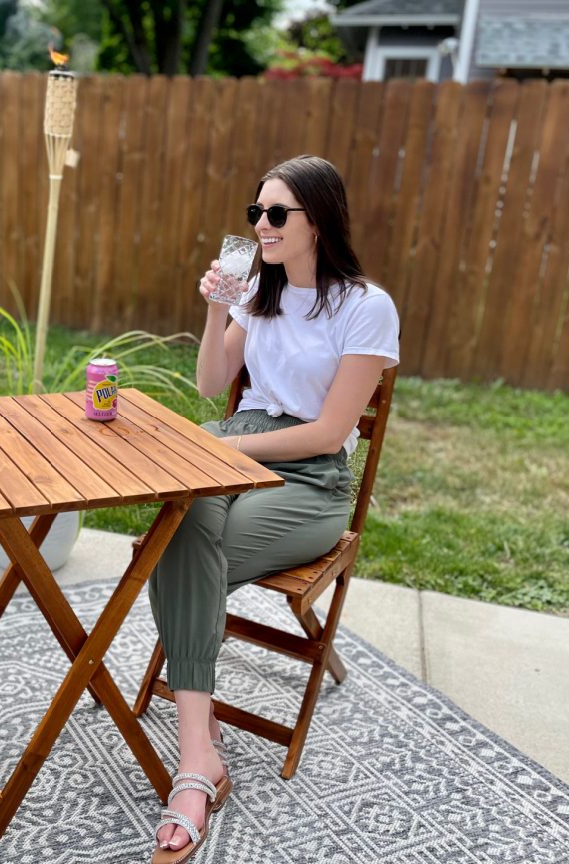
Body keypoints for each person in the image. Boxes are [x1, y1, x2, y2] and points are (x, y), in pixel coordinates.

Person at [148, 154, 400, 863]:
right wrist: (215, 310)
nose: (261, 224)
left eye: (277, 213)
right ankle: (201, 752)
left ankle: (195, 766)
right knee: (181, 522)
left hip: (311, 478)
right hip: (235, 446)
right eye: (255, 212)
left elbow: (326, 434)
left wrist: (227, 456)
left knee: (176, 546)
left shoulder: (364, 306)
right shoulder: (257, 292)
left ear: (318, 220)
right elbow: (211, 384)